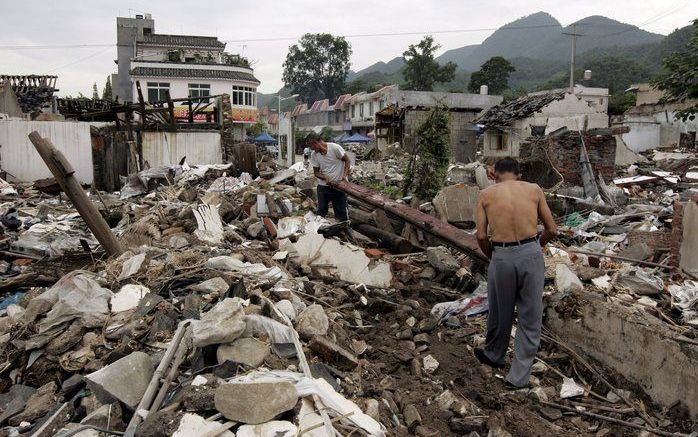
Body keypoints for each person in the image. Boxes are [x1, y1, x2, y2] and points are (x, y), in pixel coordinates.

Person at [474, 157, 557, 388]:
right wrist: (534, 246)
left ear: (495, 174)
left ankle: (494, 355)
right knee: (530, 317)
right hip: (531, 253)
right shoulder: (534, 190)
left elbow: (481, 236)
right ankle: (518, 377)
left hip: (501, 255)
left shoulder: (486, 195)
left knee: (500, 311)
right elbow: (552, 229)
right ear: (519, 174)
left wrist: (494, 255)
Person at [307, 132, 351, 221]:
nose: (313, 150)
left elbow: (347, 160)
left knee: (341, 214)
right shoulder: (314, 155)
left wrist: (344, 175)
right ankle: (321, 231)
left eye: (312, 147)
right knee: (321, 212)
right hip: (323, 187)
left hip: (339, 186)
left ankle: (343, 231)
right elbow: (316, 173)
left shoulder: (335, 148)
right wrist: (324, 177)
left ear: (315, 142)